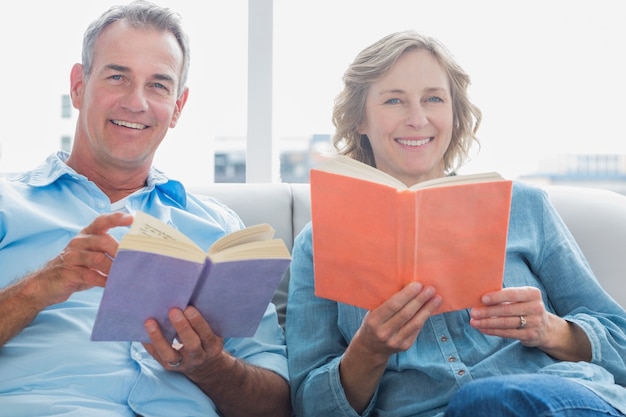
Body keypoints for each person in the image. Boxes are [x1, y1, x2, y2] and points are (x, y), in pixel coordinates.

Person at [286, 30, 626, 417]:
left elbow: (622, 343)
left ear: (454, 113)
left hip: (559, 399)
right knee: (476, 405)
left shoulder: (523, 206)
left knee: (489, 401)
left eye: (433, 99)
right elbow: (310, 406)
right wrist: (368, 351)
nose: (417, 119)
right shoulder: (320, 242)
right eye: (394, 100)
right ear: (360, 120)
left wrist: (552, 330)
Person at [0, 1, 291, 416]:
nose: (136, 103)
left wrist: (212, 369)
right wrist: (35, 289)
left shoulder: (219, 229)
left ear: (177, 106)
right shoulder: (7, 205)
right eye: (117, 76)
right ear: (79, 86)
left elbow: (279, 406)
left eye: (158, 85)